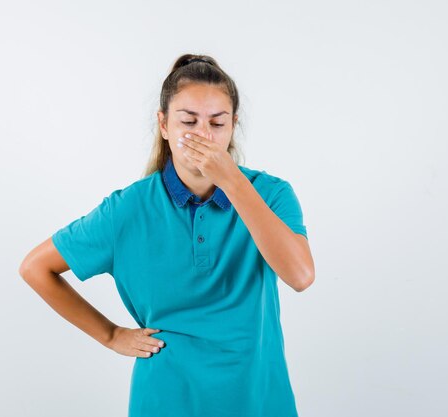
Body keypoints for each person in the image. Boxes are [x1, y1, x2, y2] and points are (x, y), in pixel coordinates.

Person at [19, 53, 315, 417]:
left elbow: (300, 276)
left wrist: (232, 181)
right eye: (188, 121)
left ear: (233, 126)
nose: (203, 135)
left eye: (217, 123)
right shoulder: (127, 209)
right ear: (163, 125)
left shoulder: (271, 194)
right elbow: (36, 268)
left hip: (257, 398)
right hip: (165, 400)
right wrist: (111, 336)